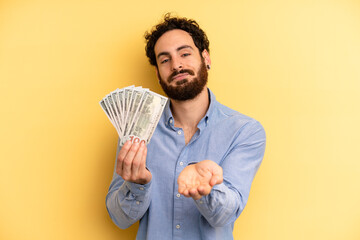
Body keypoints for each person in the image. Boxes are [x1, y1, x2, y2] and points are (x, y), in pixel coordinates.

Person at [106, 14, 266, 240]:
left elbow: (225, 215)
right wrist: (137, 184)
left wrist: (206, 188)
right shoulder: (135, 131)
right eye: (165, 60)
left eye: (185, 53)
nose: (177, 64)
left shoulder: (245, 131)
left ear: (206, 58)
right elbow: (120, 219)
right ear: (158, 74)